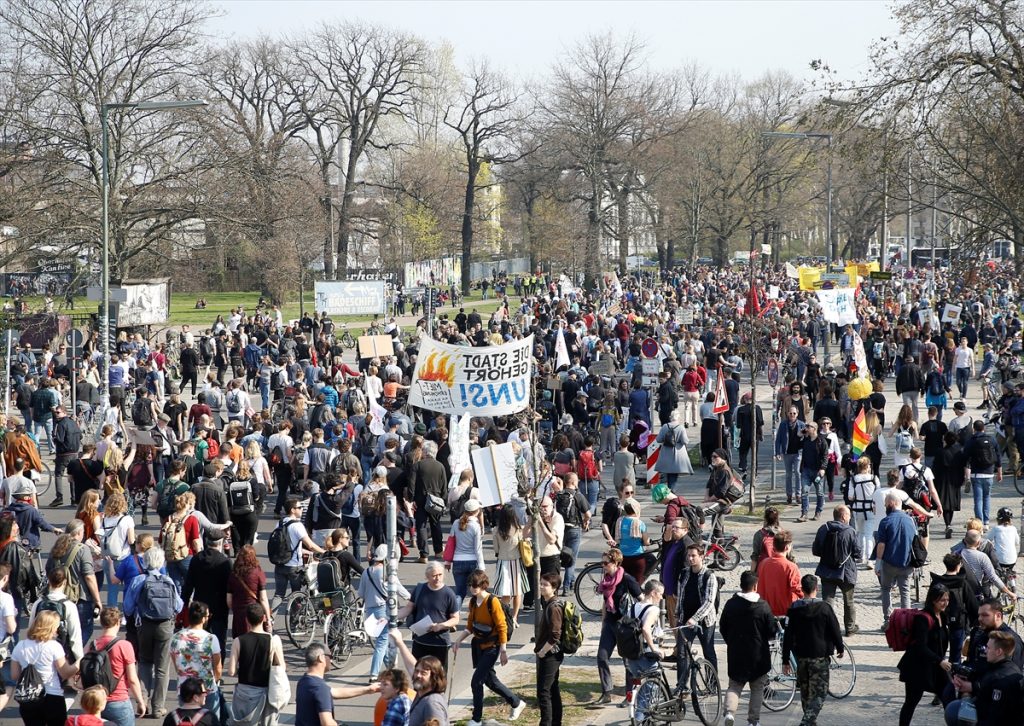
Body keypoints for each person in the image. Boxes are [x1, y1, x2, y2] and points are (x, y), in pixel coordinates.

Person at [452, 569, 526, 726]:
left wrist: (504, 651)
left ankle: (476, 719)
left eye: (475, 585)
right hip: (478, 646)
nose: (472, 588)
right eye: (470, 585)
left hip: (492, 647)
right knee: (490, 681)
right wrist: (458, 640)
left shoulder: (493, 602)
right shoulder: (473, 602)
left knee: (476, 682)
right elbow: (470, 626)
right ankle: (516, 702)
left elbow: (502, 627)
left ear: (483, 585)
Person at [123, 546, 183, 720]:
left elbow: (127, 607)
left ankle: (144, 704)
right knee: (162, 668)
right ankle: (158, 707)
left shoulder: (138, 580)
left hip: (144, 625)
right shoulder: (168, 581)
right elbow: (178, 605)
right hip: (165, 626)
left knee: (144, 662)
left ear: (145, 561)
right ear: (162, 562)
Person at [782, 574, 845, 726]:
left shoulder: (794, 610)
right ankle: (806, 721)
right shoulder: (825, 608)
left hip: (801, 657)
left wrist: (785, 660)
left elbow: (788, 636)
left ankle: (810, 721)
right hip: (819, 657)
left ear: (802, 589)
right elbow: (835, 629)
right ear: (816, 588)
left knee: (805, 692)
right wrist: (840, 647)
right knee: (820, 693)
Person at [720, 570, 778, 726]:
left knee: (734, 686)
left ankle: (730, 713)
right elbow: (771, 630)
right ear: (755, 586)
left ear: (740, 585)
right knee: (757, 688)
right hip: (758, 653)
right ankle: (753, 721)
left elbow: (723, 627)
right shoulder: (763, 606)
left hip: (736, 652)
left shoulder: (731, 604)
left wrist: (731, 642)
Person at [11, 609, 79, 726]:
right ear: (51, 628)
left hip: (29, 698)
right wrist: (79, 663)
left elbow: (15, 675)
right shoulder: (53, 646)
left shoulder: (19, 646)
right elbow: (65, 673)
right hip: (52, 696)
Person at [896, 583, 951, 726]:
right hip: (918, 668)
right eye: (942, 600)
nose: (945, 603)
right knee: (912, 701)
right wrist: (940, 661)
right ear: (933, 600)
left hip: (936, 666)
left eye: (947, 600)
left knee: (948, 697)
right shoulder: (923, 619)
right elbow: (921, 647)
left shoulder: (942, 616)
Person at [946, 629, 1023, 726]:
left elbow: (995, 719)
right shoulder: (1005, 668)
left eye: (988, 648)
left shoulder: (1000, 679)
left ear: (999, 652)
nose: (985, 651)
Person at [594, 547, 641, 705]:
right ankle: (606, 692)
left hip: (625, 625)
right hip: (610, 623)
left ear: (616, 562)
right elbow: (606, 604)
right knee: (602, 657)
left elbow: (641, 599)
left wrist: (640, 623)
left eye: (606, 562)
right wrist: (603, 623)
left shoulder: (627, 579)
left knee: (628, 663)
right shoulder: (606, 580)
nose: (603, 565)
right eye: (602, 562)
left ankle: (630, 695)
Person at [226, 602, 284, 726]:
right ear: (263, 618)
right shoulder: (273, 640)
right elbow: (281, 668)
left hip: (244, 692)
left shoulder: (238, 641)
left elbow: (231, 672)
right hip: (267, 691)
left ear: (247, 620)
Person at [397, 561, 460, 675]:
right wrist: (392, 617)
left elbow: (455, 618)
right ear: (427, 576)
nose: (437, 578)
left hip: (439, 642)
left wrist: (441, 626)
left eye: (440, 575)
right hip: (420, 640)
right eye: (434, 575)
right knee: (419, 675)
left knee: (438, 677)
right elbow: (409, 608)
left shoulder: (448, 593)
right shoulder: (420, 589)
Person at [359, 544, 409, 682]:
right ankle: (374, 675)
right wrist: (413, 598)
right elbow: (400, 589)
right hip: (383, 610)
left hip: (369, 612)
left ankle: (393, 671)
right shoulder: (386, 572)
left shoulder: (366, 572)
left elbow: (361, 594)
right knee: (382, 643)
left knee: (382, 642)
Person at [89, 606, 146, 726]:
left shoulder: (93, 645)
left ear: (102, 622)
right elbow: (132, 679)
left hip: (96, 700)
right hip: (118, 700)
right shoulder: (124, 645)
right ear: (118, 622)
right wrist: (140, 701)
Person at [181, 529, 231, 661]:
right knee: (219, 641)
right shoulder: (224, 562)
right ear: (220, 543)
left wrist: (184, 604)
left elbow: (188, 584)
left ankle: (201, 664)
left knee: (200, 639)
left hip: (200, 605)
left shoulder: (196, 559)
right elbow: (229, 587)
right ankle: (217, 671)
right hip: (219, 607)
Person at [675, 544, 720, 693]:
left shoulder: (709, 576)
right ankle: (682, 685)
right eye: (689, 555)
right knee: (682, 652)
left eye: (694, 555)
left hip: (705, 622)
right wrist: (678, 615)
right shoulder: (684, 573)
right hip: (685, 620)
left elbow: (709, 602)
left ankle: (712, 685)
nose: (690, 558)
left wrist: (695, 618)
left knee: (708, 652)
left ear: (702, 557)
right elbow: (680, 596)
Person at [812, 505, 861, 636]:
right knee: (849, 601)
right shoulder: (850, 531)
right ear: (844, 516)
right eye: (849, 515)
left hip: (827, 570)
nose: (850, 517)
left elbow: (816, 550)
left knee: (828, 601)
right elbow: (858, 553)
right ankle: (850, 628)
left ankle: (827, 628)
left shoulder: (823, 529)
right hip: (846, 571)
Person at [387, 631, 448, 726]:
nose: (418, 675)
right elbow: (412, 666)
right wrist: (400, 643)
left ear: (434, 678)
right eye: (417, 671)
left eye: (423, 673)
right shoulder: (422, 693)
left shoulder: (432, 703)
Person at [272, 497, 326, 605]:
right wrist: (324, 552)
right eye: (300, 507)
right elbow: (310, 545)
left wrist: (306, 552)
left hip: (280, 564)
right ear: (293, 510)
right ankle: (294, 620)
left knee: (279, 595)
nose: (302, 509)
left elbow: (289, 546)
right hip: (294, 566)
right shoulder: (297, 525)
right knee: (296, 594)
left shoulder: (280, 523)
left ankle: (270, 619)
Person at [931, 553, 976, 665]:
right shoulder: (962, 583)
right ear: (958, 566)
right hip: (958, 621)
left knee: (938, 652)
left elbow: (929, 602)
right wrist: (975, 622)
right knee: (956, 654)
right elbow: (972, 604)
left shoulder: (937, 582)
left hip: (939, 622)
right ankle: (955, 677)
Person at [534, 572, 564, 726]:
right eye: (540, 583)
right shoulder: (548, 603)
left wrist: (543, 651)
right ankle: (556, 721)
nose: (541, 587)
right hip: (550, 653)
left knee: (543, 692)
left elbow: (555, 635)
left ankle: (546, 723)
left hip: (551, 654)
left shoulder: (554, 607)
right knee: (552, 689)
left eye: (545, 585)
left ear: (554, 588)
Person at [492, 505, 530, 623]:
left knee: (505, 593)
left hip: (503, 562)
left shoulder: (496, 530)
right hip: (516, 562)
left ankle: (504, 617)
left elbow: (496, 550)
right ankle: (514, 617)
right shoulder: (519, 529)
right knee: (517, 592)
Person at [962, 418, 1002, 527]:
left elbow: (965, 457)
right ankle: (986, 522)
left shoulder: (972, 440)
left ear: (974, 429)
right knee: (987, 497)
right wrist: (999, 472)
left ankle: (979, 523)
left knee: (978, 500)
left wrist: (965, 474)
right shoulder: (992, 439)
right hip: (989, 473)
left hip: (976, 474)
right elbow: (998, 455)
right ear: (983, 428)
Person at [227, 545, 272, 639]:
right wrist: (268, 618)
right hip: (254, 613)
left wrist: (236, 609)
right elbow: (263, 598)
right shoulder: (257, 572)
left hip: (239, 615)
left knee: (240, 643)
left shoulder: (233, 574)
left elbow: (229, 600)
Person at [757, 530, 802, 617]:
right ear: (787, 547)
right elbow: (797, 589)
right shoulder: (791, 567)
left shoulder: (763, 563)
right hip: (784, 611)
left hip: (766, 610)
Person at [447, 499, 485, 602]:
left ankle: (454, 613)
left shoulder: (456, 523)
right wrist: (481, 566)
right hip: (472, 561)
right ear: (476, 511)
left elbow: (451, 543)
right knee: (476, 592)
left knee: (460, 592)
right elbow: (478, 549)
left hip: (457, 561)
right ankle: (475, 613)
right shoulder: (476, 526)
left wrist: (447, 561)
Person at [653, 409, 694, 490]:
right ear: (678, 417)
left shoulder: (665, 426)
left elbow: (658, 440)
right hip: (677, 453)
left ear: (670, 417)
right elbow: (685, 441)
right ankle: (672, 491)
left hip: (666, 453)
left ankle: (669, 490)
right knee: (674, 474)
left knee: (668, 473)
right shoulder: (681, 428)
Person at [774, 406, 806, 505]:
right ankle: (789, 495)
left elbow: (806, 439)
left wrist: (803, 435)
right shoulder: (783, 424)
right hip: (787, 453)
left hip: (798, 453)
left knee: (797, 472)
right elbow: (778, 439)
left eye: (794, 413)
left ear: (797, 414)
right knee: (788, 474)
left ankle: (798, 494)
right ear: (788, 414)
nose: (792, 415)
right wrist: (777, 453)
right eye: (790, 413)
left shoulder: (801, 425)